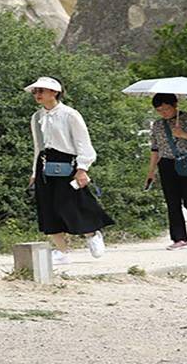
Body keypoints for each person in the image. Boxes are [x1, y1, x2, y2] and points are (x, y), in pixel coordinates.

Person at [26, 76, 113, 265]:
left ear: (54, 93)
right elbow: (37, 147)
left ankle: (92, 233)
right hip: (44, 164)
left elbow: (83, 143)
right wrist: (34, 173)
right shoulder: (37, 117)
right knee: (48, 208)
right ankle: (62, 251)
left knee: (71, 204)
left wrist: (82, 168)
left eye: (41, 91)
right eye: (35, 91)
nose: (37, 94)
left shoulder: (70, 114)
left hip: (68, 163)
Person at [145, 93, 187, 250]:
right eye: (159, 110)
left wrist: (184, 135)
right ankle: (179, 238)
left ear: (175, 105)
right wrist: (151, 171)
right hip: (167, 164)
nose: (164, 113)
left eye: (167, 109)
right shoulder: (157, 125)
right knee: (172, 203)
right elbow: (155, 149)